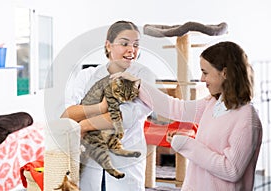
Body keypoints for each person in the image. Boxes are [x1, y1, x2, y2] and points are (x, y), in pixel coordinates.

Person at [111, 41, 263, 191]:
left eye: (205, 72)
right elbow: (175, 107)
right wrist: (137, 84)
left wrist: (186, 144)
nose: (202, 79)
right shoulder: (214, 104)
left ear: (225, 73)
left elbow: (231, 170)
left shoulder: (247, 120)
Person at [61, 21, 156, 191]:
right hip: (89, 165)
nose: (131, 50)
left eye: (136, 45)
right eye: (124, 43)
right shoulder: (87, 75)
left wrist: (83, 124)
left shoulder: (144, 77)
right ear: (109, 45)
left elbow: (122, 118)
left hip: (125, 165)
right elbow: (68, 115)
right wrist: (101, 107)